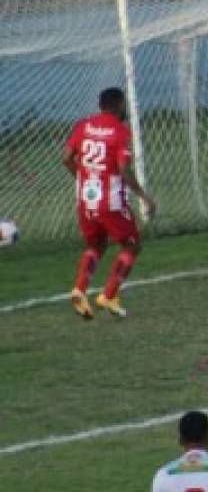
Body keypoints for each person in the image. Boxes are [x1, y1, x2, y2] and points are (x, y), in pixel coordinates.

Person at [63, 87, 157, 319]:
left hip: (87, 198)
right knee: (132, 245)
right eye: (124, 104)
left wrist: (83, 178)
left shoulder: (83, 125)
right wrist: (145, 197)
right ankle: (108, 295)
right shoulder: (119, 131)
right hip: (111, 201)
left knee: (96, 246)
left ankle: (79, 290)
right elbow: (124, 170)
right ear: (117, 105)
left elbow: (66, 158)